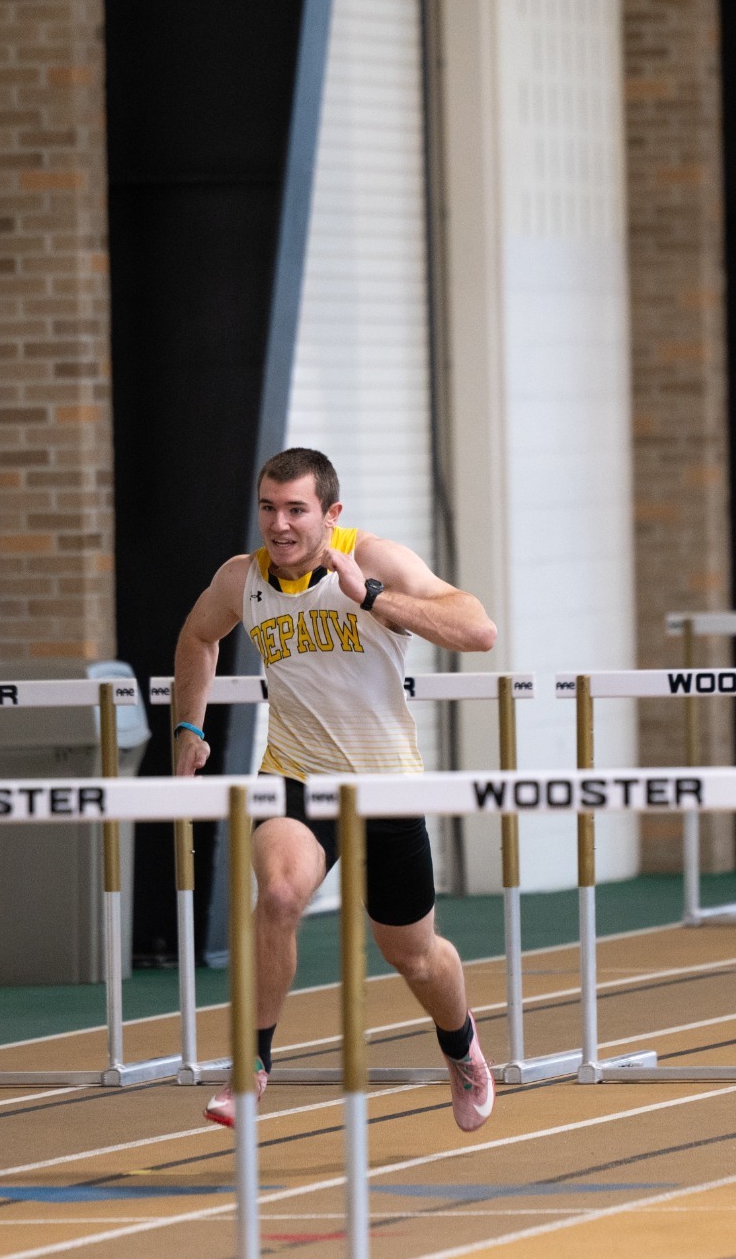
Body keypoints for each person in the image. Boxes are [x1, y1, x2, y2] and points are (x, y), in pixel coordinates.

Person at [173, 448, 500, 1132]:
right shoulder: (242, 579)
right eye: (268, 508)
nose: (280, 525)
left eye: (296, 510)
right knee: (283, 892)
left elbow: (478, 629)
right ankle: (252, 1064)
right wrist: (188, 725)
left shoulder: (375, 559)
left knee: (413, 956)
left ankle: (461, 1044)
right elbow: (199, 637)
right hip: (294, 776)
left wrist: (373, 596)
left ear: (331, 514)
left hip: (383, 786)